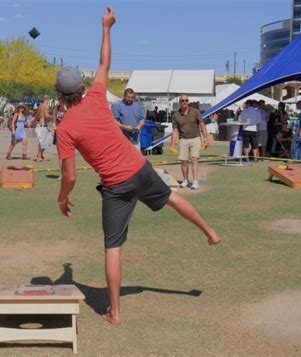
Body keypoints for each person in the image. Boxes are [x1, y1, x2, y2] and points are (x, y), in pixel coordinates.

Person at [55, 7, 221, 327]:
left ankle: (115, 313)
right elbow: (105, 63)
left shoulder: (65, 129)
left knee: (113, 248)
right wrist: (106, 27)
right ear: (80, 88)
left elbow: (70, 175)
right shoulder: (97, 95)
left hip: (116, 186)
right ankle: (210, 232)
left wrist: (62, 199)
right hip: (139, 166)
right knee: (172, 197)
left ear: (59, 95)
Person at [170, 95, 208, 190]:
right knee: (183, 161)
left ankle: (195, 181)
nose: (184, 102)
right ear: (179, 102)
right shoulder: (175, 115)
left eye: (186, 100)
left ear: (188, 101)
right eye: (182, 100)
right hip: (183, 139)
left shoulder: (195, 112)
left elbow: (202, 125)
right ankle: (185, 180)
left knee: (194, 158)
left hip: (195, 138)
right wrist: (172, 144)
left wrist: (206, 138)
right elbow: (175, 131)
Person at [34, 95, 53, 161]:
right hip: (42, 126)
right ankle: (39, 156)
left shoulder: (40, 106)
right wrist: (55, 116)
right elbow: (46, 116)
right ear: (48, 99)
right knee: (43, 142)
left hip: (40, 126)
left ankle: (39, 155)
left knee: (45, 141)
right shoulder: (45, 106)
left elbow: (36, 116)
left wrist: (34, 122)